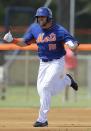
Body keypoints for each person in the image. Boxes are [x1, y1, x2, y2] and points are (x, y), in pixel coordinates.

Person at [3, 7, 79, 127]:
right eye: (38, 17)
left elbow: (72, 43)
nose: (39, 19)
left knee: (45, 87)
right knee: (43, 91)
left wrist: (73, 45)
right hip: (43, 63)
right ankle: (66, 80)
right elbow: (25, 42)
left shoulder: (59, 30)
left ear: (49, 18)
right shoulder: (35, 28)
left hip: (57, 62)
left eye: (42, 17)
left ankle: (42, 119)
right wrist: (13, 40)